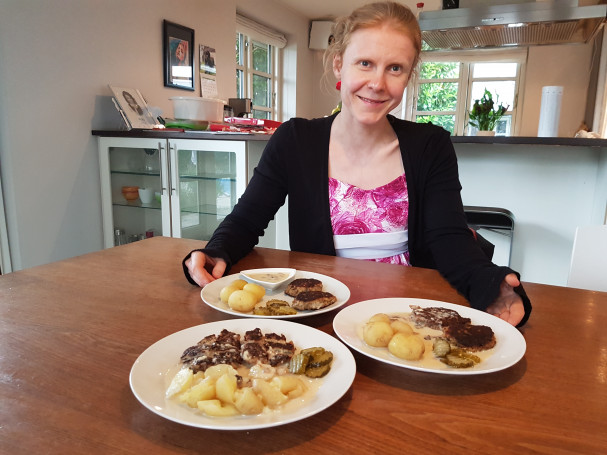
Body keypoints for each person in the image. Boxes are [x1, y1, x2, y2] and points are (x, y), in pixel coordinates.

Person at [183, 1, 531, 327]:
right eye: (365, 63)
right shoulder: (295, 140)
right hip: (316, 315)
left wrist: (489, 281)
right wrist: (215, 252)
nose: (377, 84)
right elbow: (246, 220)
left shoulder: (430, 145)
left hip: (406, 318)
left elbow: (449, 239)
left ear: (408, 77)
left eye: (395, 68)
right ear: (339, 64)